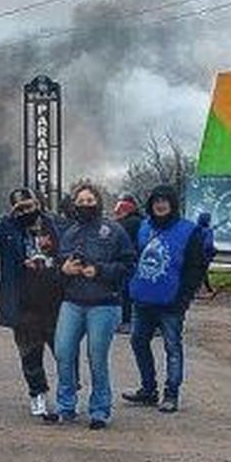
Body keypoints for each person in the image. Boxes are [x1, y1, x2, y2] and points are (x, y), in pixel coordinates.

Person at [0, 188, 65, 421]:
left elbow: (70, 249)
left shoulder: (56, 225)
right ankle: (38, 394)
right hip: (23, 302)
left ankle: (67, 397)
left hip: (55, 300)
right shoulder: (7, 228)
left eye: (29, 206)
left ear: (38, 205)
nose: (26, 211)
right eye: (20, 208)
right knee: (30, 353)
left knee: (64, 352)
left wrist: (52, 263)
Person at [53, 180, 137, 430]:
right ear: (74, 205)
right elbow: (58, 265)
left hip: (104, 303)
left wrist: (99, 270)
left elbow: (129, 265)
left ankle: (100, 410)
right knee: (63, 353)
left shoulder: (114, 231)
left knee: (97, 357)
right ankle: (65, 406)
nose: (85, 205)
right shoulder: (69, 233)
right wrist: (64, 268)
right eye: (81, 202)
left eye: (90, 201)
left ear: (98, 203)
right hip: (72, 302)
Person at [121, 185, 210, 414]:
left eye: (165, 200)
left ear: (172, 203)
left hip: (171, 301)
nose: (160, 205)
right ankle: (148, 389)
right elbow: (134, 257)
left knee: (172, 347)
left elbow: (195, 268)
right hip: (143, 299)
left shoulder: (190, 231)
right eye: (156, 200)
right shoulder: (143, 227)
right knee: (138, 342)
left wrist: (183, 298)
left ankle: (171, 393)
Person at [113, 193, 144, 333]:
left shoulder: (125, 224)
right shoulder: (142, 221)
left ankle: (126, 321)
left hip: (128, 261)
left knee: (126, 292)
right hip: (140, 261)